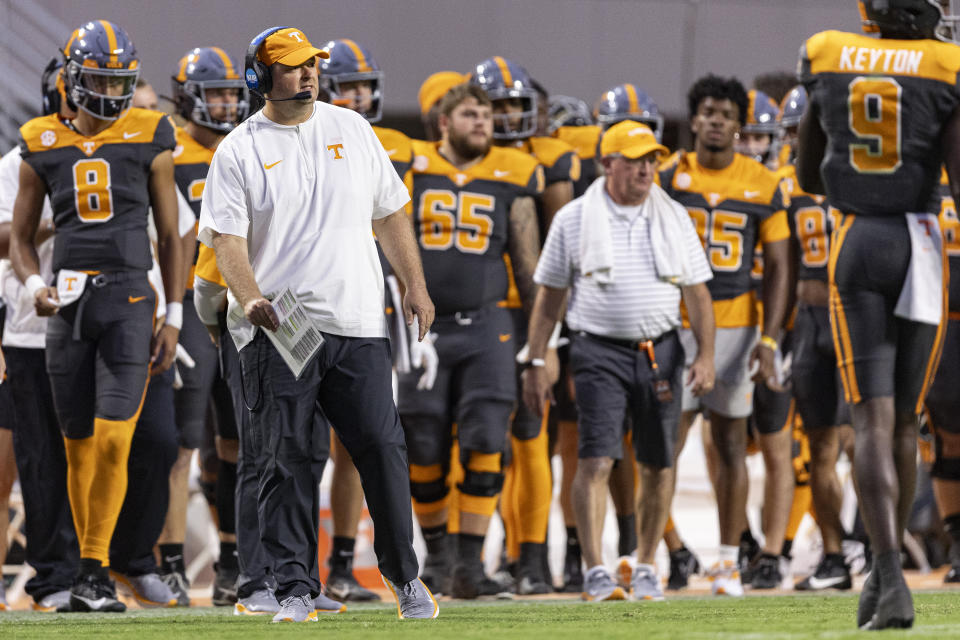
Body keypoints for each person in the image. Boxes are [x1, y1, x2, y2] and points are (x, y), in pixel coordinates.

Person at [199, 25, 436, 622]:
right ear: (259, 76)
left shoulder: (352, 129)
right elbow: (227, 242)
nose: (308, 73)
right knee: (287, 458)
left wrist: (415, 283)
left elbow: (392, 212)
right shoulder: (238, 149)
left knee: (382, 448)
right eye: (293, 65)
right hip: (282, 323)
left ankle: (405, 578)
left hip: (356, 319)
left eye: (312, 64)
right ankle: (295, 586)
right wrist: (248, 299)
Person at [796, 0, 960, 629]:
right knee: (904, 423)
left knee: (869, 419)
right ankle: (887, 580)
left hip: (857, 240)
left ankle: (887, 576)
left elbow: (811, 173)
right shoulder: (942, 66)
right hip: (918, 243)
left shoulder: (830, 55)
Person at [10, 20, 183, 612]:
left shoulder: (151, 132)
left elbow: (172, 234)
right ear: (73, 80)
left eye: (119, 81)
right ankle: (89, 575)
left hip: (131, 299)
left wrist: (177, 312)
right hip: (67, 306)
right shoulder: (38, 140)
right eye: (100, 80)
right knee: (76, 446)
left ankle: (94, 566)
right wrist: (34, 283)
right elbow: (22, 237)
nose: (111, 93)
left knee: (115, 441)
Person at [523, 120, 715, 602]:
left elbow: (697, 292)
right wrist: (537, 355)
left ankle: (647, 563)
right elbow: (550, 296)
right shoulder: (573, 217)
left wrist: (706, 354)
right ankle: (594, 570)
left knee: (658, 461)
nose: (646, 169)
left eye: (652, 160)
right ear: (607, 163)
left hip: (662, 350)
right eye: (634, 160)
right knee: (595, 458)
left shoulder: (673, 215)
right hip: (597, 349)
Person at [399, 83, 543, 598]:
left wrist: (541, 347)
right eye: (469, 114)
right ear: (443, 121)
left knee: (486, 440)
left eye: (485, 114)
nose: (482, 122)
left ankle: (470, 562)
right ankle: (436, 558)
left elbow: (529, 266)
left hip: (489, 325)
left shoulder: (514, 172)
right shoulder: (411, 164)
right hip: (425, 327)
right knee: (423, 444)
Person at [659, 73, 792, 597]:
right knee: (661, 445)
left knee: (731, 443)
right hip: (674, 323)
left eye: (726, 115)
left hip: (737, 326)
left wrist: (770, 337)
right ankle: (660, 550)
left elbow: (779, 266)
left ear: (740, 126)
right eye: (708, 112)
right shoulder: (668, 174)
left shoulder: (763, 183)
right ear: (694, 119)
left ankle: (727, 559)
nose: (716, 122)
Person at [469, 57, 574, 593]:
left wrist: (552, 333)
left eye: (516, 103)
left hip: (531, 313)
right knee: (479, 441)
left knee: (531, 437)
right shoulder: (456, 161)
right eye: (498, 104)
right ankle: (480, 558)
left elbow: (561, 251)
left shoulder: (550, 162)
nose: (508, 115)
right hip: (478, 315)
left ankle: (531, 558)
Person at [317, 38, 412, 602]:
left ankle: (344, 565)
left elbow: (395, 218)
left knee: (362, 442)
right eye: (347, 85)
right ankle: (290, 568)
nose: (359, 95)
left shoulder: (388, 142)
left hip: (365, 304)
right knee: (298, 445)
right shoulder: (299, 135)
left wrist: (412, 286)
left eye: (364, 85)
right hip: (305, 305)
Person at [156, 45, 250, 608]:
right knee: (183, 443)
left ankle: (234, 559)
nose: (222, 103)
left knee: (238, 443)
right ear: (188, 94)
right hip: (190, 304)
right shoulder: (164, 144)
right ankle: (169, 562)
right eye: (212, 92)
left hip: (239, 305)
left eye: (228, 93)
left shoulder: (247, 145)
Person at [776, 85, 856, 592]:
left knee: (866, 440)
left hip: (857, 314)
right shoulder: (783, 186)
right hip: (809, 319)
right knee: (820, 449)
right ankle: (834, 555)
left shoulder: (863, 178)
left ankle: (874, 546)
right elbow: (778, 269)